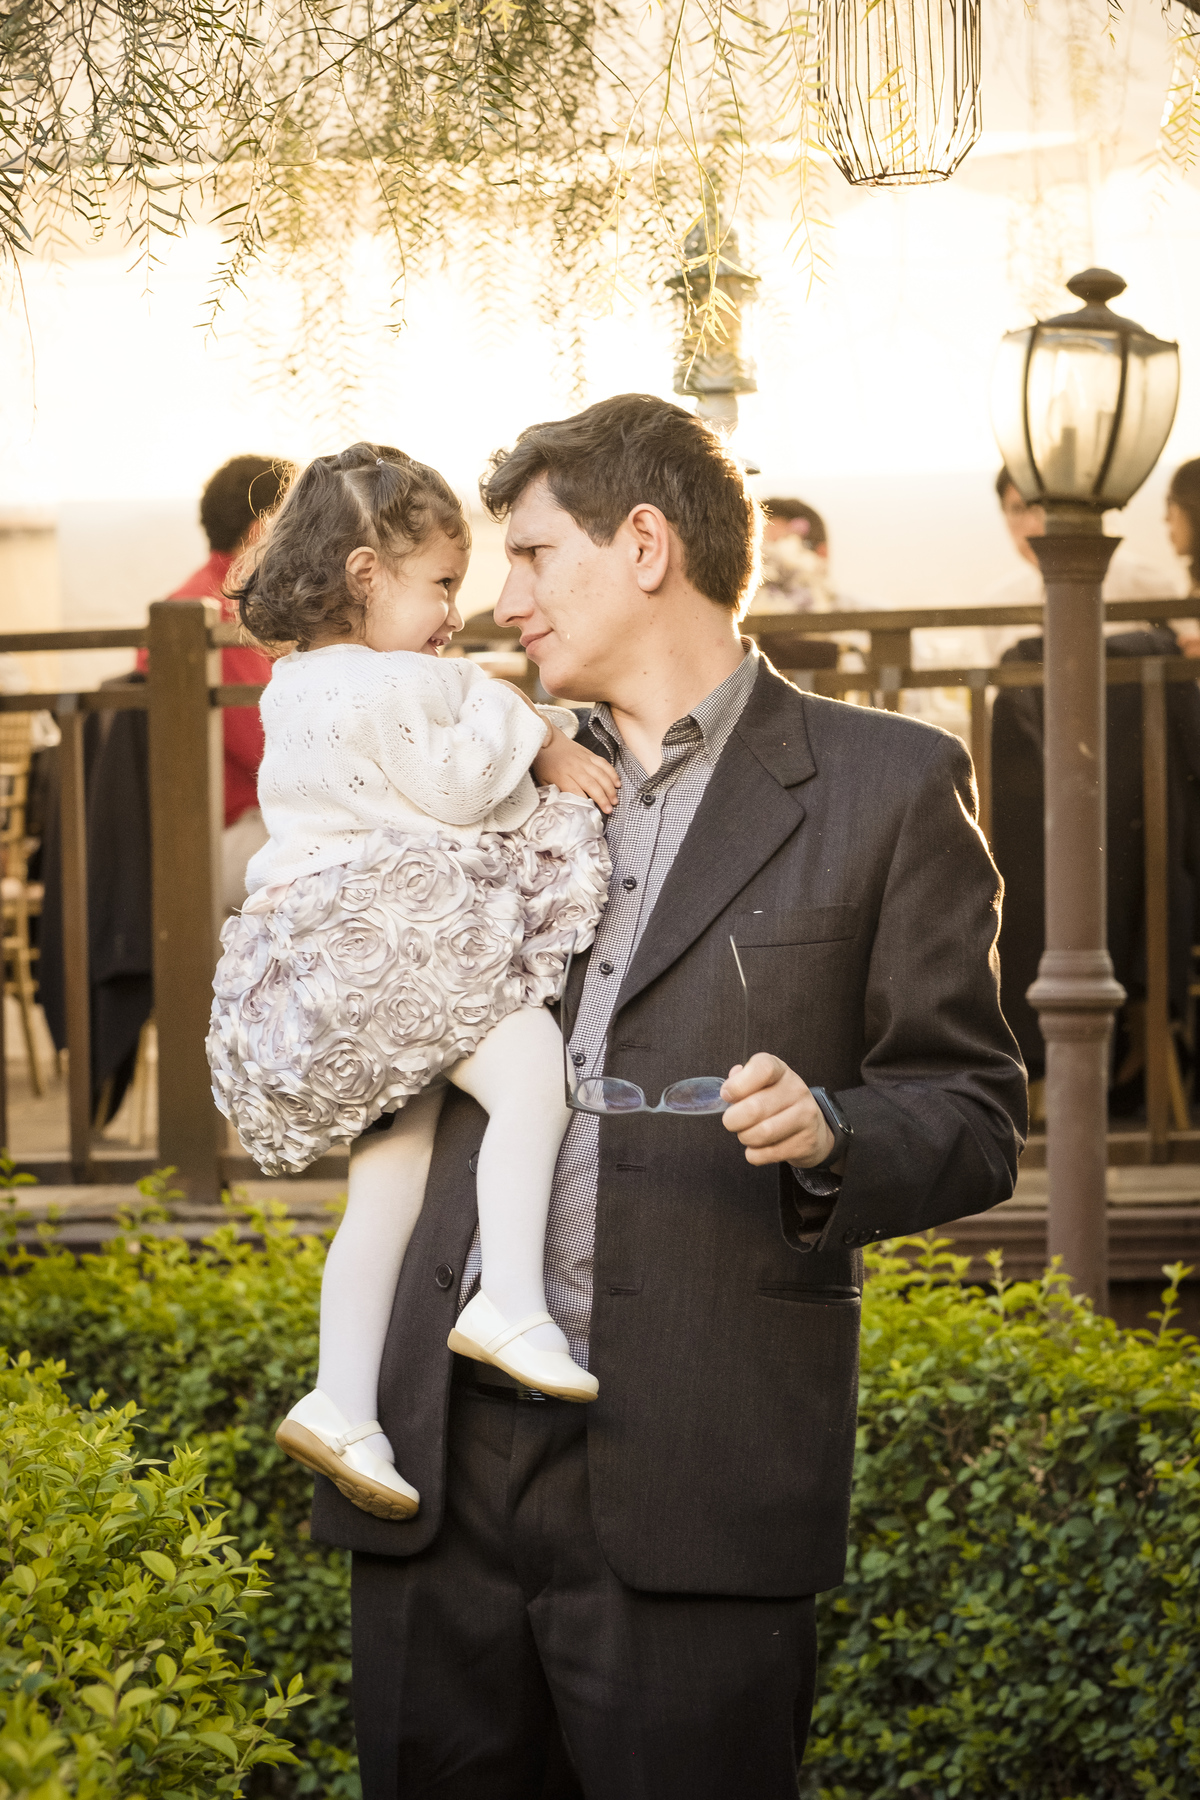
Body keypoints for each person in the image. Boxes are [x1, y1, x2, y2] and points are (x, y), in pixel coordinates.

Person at [311, 395, 1028, 1800]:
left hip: (696, 1468)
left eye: (529, 557)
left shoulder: (889, 785)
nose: (498, 604)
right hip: (434, 1467)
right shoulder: (476, 768)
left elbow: (971, 1105)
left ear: (645, 545)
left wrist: (834, 1130)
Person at [207, 442, 615, 1525]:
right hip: (398, 946)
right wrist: (538, 727)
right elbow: (456, 783)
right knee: (533, 1081)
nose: (456, 612)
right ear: (363, 574)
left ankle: (342, 1399)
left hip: (328, 973)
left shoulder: (293, 686)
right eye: (441, 583)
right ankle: (515, 1305)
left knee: (384, 1186)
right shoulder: (400, 682)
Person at [138, 454, 289, 910]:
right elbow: (266, 746)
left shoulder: (200, 598)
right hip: (227, 835)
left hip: (226, 827)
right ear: (259, 530)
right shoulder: (223, 613)